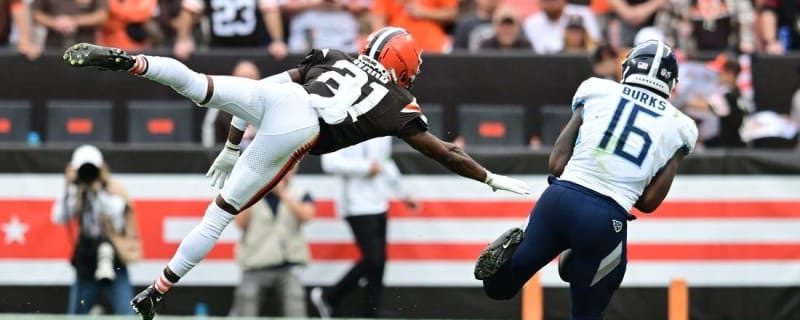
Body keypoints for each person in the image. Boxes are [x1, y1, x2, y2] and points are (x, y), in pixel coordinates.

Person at [62, 26, 531, 320]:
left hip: (283, 102)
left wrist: (230, 145)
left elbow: (260, 92)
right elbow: (444, 152)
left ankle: (134, 62)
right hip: (303, 126)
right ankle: (157, 290)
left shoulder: (333, 55)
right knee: (219, 214)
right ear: (401, 65)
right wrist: (488, 177)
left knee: (197, 84)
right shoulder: (397, 103)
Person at [474, 40, 698, 319]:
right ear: (672, 85)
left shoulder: (597, 90)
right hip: (605, 219)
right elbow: (648, 203)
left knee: (499, 288)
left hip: (558, 201)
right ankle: (577, 254)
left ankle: (512, 258)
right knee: (586, 314)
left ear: (627, 68)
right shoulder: (681, 126)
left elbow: (556, 165)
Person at [312, 136, 415, 318]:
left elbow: (386, 162)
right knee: (373, 259)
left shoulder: (383, 130)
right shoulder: (342, 124)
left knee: (379, 264)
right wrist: (365, 167)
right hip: (354, 205)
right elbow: (330, 163)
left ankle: (370, 313)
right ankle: (329, 296)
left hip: (378, 203)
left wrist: (402, 193)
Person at [52, 145, 142, 315]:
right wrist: (71, 187)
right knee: (77, 314)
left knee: (127, 313)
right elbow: (59, 217)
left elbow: (118, 215)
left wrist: (97, 191)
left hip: (114, 259)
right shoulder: (75, 190)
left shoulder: (113, 187)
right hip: (87, 260)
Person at [228, 166, 314, 317]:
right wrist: (252, 193)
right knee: (247, 298)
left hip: (288, 266)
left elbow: (307, 216)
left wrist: (282, 193)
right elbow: (240, 223)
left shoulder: (300, 193)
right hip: (255, 265)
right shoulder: (251, 193)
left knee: (295, 298)